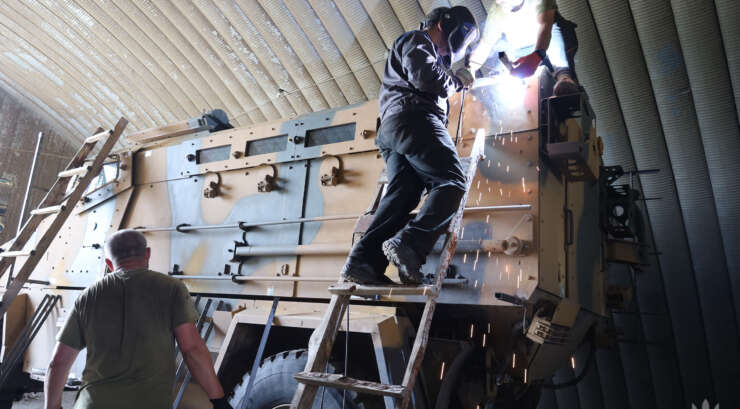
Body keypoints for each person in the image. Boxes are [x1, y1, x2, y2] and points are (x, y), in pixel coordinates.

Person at [341, 6, 478, 285]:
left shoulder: (422, 48)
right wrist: (456, 82)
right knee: (452, 182)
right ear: (443, 25)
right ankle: (410, 245)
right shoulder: (417, 39)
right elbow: (425, 77)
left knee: (402, 197)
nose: (447, 52)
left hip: (395, 129)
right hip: (414, 118)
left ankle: (362, 264)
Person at [43, 229, 232, 409]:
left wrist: (52, 406)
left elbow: (58, 363)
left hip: (93, 403)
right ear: (147, 253)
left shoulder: (88, 296)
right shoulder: (171, 288)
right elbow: (192, 349)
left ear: (109, 263)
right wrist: (218, 400)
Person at [474, 0, 580, 95]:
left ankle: (564, 77)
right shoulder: (498, 9)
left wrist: (536, 57)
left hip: (551, 41)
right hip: (522, 51)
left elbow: (546, 26)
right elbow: (485, 44)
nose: (498, 1)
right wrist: (471, 69)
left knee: (553, 29)